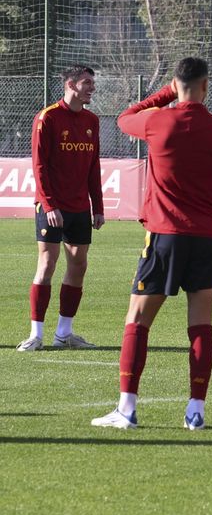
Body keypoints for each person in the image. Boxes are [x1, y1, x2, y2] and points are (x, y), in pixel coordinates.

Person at [91, 57, 212, 431]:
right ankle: (196, 410)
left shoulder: (156, 120)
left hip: (164, 237)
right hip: (206, 238)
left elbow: (124, 116)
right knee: (201, 325)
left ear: (176, 85)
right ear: (207, 86)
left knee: (137, 320)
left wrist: (166, 93)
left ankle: (127, 409)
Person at [18, 65, 105, 352]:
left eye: (92, 83)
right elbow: (39, 166)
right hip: (52, 206)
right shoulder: (48, 117)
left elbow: (94, 167)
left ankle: (64, 333)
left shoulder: (92, 120)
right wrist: (49, 204)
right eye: (86, 83)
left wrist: (97, 206)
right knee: (47, 264)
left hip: (80, 206)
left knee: (79, 264)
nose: (92, 87)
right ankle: (36, 334)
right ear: (70, 84)